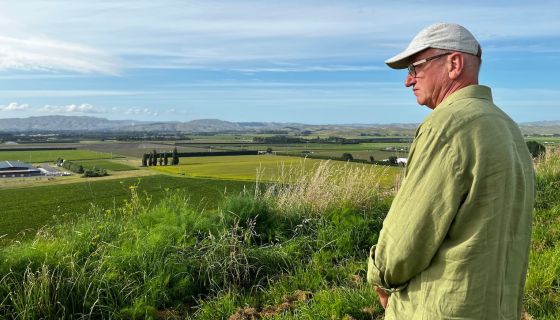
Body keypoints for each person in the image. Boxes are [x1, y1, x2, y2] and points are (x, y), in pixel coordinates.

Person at [367, 23, 535, 319]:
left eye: (415, 67)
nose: (409, 80)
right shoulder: (506, 126)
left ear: (454, 64)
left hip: (441, 307)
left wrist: (381, 276)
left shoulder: (447, 126)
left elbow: (409, 234)